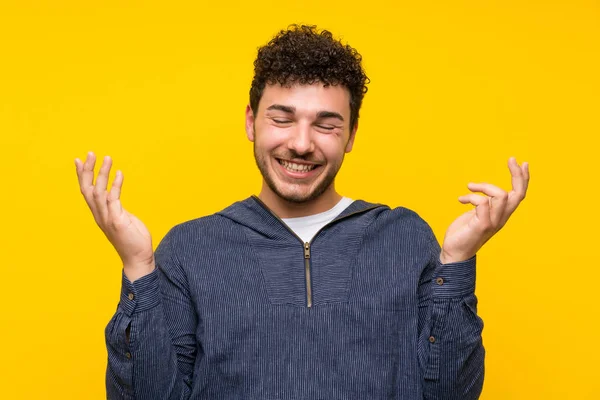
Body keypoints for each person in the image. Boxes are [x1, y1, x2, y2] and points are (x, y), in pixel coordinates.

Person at [75, 25, 530, 400]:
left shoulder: (404, 237)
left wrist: (456, 262)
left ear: (350, 135)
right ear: (251, 122)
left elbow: (452, 393)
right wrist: (138, 267)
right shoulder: (191, 247)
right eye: (282, 118)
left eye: (326, 124)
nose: (300, 142)